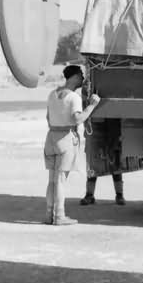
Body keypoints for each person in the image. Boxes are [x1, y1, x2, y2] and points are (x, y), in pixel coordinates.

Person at [44, 64, 101, 225]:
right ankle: (60, 215)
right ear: (75, 76)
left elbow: (48, 118)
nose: (83, 79)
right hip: (65, 138)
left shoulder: (52, 94)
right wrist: (92, 105)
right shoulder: (74, 97)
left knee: (52, 180)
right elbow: (77, 119)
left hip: (51, 138)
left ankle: (49, 214)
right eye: (81, 76)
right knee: (61, 179)